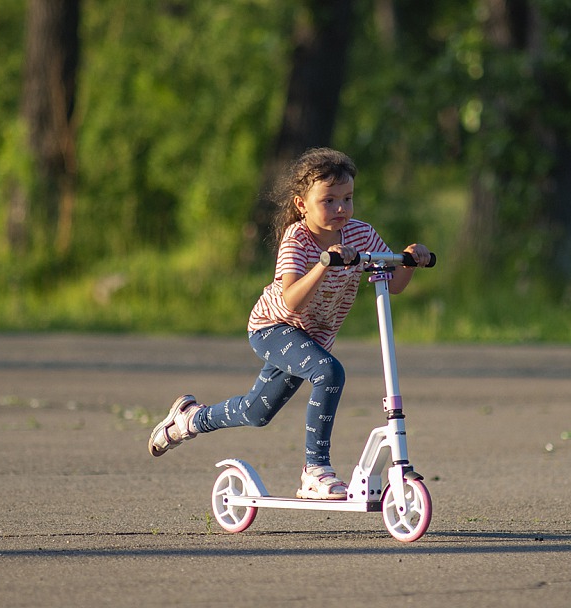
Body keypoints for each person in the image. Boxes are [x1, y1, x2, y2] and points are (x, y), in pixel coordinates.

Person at [147, 147, 431, 500]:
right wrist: (325, 263)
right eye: (329, 200)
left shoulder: (361, 234)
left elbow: (394, 285)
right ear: (302, 205)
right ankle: (315, 471)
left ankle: (188, 419)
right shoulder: (297, 239)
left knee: (257, 411)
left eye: (348, 198)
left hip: (313, 338)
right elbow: (291, 299)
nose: (341, 208)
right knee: (329, 373)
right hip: (272, 327)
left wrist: (409, 261)